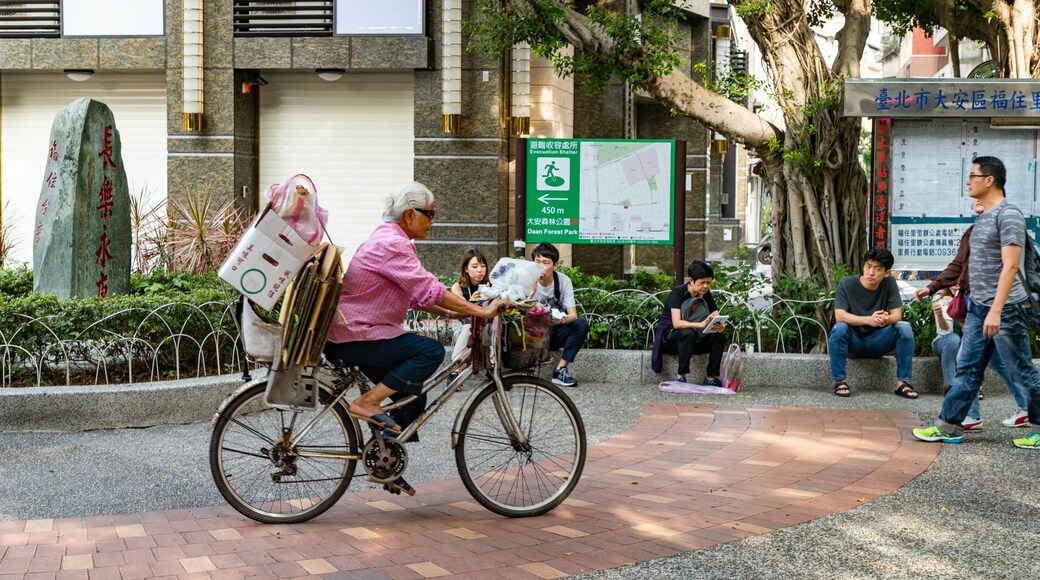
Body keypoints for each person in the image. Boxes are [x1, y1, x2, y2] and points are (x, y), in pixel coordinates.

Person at [324, 182, 504, 494]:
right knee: (431, 351)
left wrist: (457, 311)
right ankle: (367, 402)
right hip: (356, 334)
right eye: (430, 214)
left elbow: (419, 295)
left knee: (413, 396)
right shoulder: (392, 244)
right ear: (410, 215)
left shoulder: (392, 239)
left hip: (362, 331)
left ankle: (384, 462)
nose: (433, 220)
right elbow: (430, 288)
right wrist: (481, 313)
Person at [913, 156, 1040, 448]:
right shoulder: (983, 219)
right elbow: (963, 264)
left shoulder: (1008, 215)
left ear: (989, 180)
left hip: (1005, 309)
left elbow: (1010, 267)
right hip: (977, 307)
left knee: (1022, 371)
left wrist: (995, 311)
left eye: (972, 176)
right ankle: (947, 426)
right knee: (967, 369)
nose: (967, 181)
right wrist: (933, 287)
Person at [829, 248, 917, 398]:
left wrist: (885, 319)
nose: (871, 272)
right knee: (840, 328)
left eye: (877, 269)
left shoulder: (889, 283)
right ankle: (840, 381)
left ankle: (902, 383)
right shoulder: (847, 283)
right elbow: (840, 316)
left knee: (905, 327)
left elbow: (897, 315)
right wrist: (869, 320)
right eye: (868, 266)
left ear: (886, 273)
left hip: (879, 341)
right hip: (854, 342)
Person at [931, 286, 1017, 431]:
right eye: (954, 281)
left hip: (971, 341)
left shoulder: (975, 297)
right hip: (945, 341)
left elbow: (972, 332)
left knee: (985, 360)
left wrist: (962, 312)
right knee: (954, 342)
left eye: (960, 282)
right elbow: (945, 331)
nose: (956, 285)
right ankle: (953, 390)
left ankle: (972, 415)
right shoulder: (940, 297)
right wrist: (940, 315)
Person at [650, 260, 726, 385]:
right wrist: (700, 325)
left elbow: (715, 314)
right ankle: (681, 376)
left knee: (718, 336)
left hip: (695, 338)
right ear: (691, 280)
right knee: (687, 332)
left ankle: (710, 377)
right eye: (702, 283)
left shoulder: (705, 293)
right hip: (672, 339)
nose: (706, 286)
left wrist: (720, 325)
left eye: (708, 283)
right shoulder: (677, 293)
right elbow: (677, 323)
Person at [530, 242, 589, 387]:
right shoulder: (526, 279)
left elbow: (573, 315)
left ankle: (560, 370)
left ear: (555, 265)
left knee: (581, 324)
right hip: (530, 333)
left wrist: (561, 320)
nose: (540, 267)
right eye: (537, 262)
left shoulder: (563, 281)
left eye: (546, 263)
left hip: (553, 331)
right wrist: (531, 292)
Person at [448, 249, 489, 369]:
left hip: (487, 326)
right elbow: (462, 307)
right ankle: (456, 369)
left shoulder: (490, 285)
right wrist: (472, 301)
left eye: (483, 266)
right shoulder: (458, 287)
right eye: (475, 266)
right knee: (467, 328)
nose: (480, 270)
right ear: (466, 269)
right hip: (467, 326)